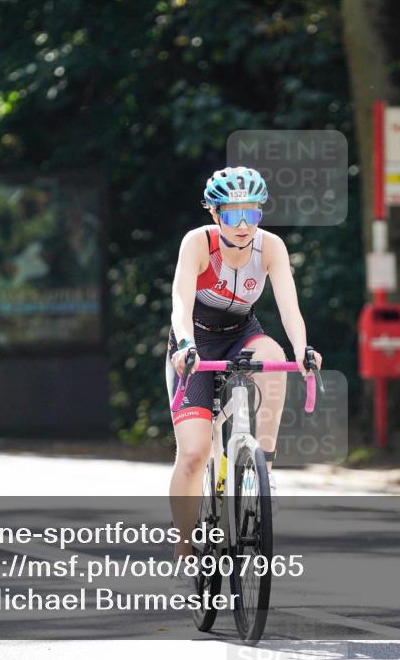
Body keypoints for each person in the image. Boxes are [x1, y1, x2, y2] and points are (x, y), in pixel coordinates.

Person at [165, 166, 322, 590]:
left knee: (273, 357)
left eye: (251, 214)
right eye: (233, 215)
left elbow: (289, 307)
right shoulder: (198, 243)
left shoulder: (270, 247)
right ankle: (183, 543)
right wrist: (184, 346)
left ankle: (262, 466)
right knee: (194, 453)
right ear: (215, 214)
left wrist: (302, 350)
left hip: (241, 334)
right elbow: (180, 303)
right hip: (196, 341)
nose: (242, 225)